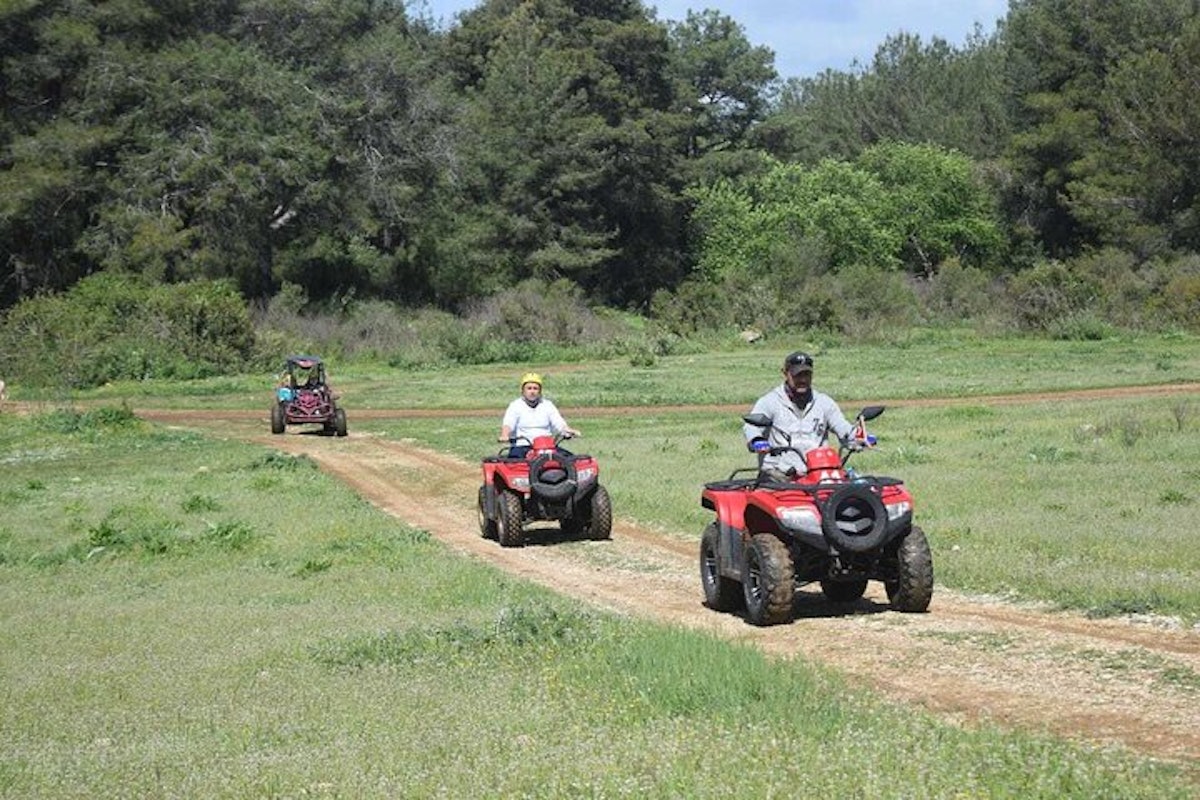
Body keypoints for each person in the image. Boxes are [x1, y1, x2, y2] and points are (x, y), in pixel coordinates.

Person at [743, 351, 863, 482]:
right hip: (779, 475)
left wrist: (857, 437)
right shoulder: (770, 401)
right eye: (797, 375)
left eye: (807, 375)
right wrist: (756, 440)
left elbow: (842, 427)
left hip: (818, 474)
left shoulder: (823, 402)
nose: (803, 380)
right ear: (785, 373)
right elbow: (751, 426)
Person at [499, 372, 580, 458]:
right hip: (523, 446)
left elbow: (558, 422)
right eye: (529, 388)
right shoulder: (515, 406)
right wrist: (505, 435)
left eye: (535, 388)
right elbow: (508, 423)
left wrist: (567, 430)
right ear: (523, 390)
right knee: (515, 465)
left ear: (540, 391)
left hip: (547, 447)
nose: (532, 391)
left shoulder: (547, 405)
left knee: (571, 460)